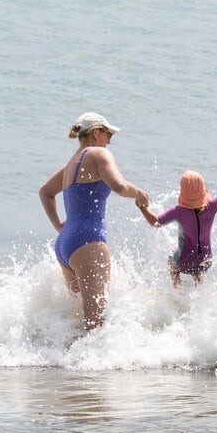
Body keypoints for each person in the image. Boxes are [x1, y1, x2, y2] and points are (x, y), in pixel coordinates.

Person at [39, 112, 151, 330]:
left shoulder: (72, 162)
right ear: (96, 133)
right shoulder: (98, 154)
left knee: (79, 320)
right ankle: (94, 363)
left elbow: (45, 192)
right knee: (95, 322)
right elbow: (119, 186)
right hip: (88, 242)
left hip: (66, 244)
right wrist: (139, 193)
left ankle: (61, 359)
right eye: (108, 134)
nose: (109, 141)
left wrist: (59, 226)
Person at [136, 164, 217, 286]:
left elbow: (156, 222)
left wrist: (143, 208)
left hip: (184, 260)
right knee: (198, 272)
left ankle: (177, 290)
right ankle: (199, 289)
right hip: (206, 260)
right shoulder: (212, 207)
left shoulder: (179, 212)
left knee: (171, 262)